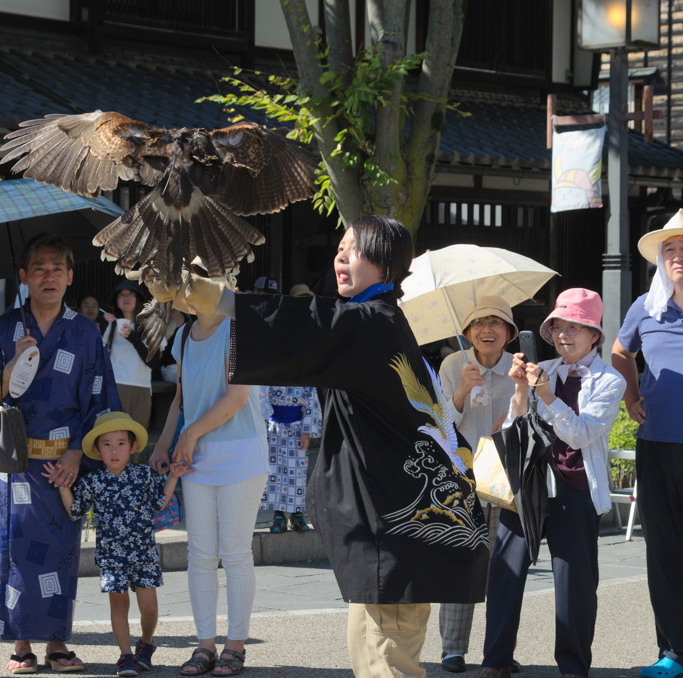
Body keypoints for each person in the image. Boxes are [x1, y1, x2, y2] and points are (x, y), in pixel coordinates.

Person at [150, 215, 490, 678]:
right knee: (373, 652)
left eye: (355, 248)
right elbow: (314, 325)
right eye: (340, 247)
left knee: (384, 659)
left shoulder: (373, 321)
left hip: (395, 529)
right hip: (394, 524)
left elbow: (306, 324)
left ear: (386, 265)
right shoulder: (375, 319)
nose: (341, 256)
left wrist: (220, 298)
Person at [0, 233, 120, 675]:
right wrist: (8, 371)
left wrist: (76, 456)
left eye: (57, 268)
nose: (48, 276)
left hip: (62, 465)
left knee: (58, 555)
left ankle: (57, 642)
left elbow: (101, 401)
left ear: (70, 276)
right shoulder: (0, 330)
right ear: (24, 276)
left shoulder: (86, 333)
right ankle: (21, 644)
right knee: (12, 552)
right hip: (11, 463)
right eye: (39, 269)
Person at [477, 288, 625, 678]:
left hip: (576, 487)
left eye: (575, 327)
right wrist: (523, 391)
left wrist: (545, 392)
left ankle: (573, 667)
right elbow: (514, 427)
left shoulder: (611, 380)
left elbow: (580, 435)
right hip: (529, 482)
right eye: (557, 326)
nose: (564, 335)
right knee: (505, 572)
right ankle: (495, 661)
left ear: (594, 334)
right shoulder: (543, 368)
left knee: (574, 582)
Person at [611, 209, 683, 678]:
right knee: (664, 556)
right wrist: (631, 395)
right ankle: (674, 654)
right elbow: (621, 353)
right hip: (656, 446)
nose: (677, 256)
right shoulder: (646, 306)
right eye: (669, 249)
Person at [147, 262, 269, 677]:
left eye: (194, 278)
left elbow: (236, 398)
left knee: (234, 554)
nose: (187, 288)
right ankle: (204, 645)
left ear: (221, 283)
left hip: (239, 453)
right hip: (194, 454)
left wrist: (189, 436)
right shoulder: (182, 335)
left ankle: (235, 646)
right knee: (200, 555)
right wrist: (163, 445)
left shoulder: (240, 328)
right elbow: (181, 398)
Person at [54, 411, 190, 677]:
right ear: (97, 450)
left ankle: (146, 644)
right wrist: (62, 487)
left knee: (149, 608)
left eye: (120, 443)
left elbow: (158, 503)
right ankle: (125, 655)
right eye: (107, 444)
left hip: (144, 553)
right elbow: (75, 511)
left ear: (133, 447)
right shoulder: (93, 481)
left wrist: (173, 477)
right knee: (119, 606)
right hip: (111, 556)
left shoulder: (144, 475)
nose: (114, 450)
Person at [436, 298, 519, 673]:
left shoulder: (518, 368)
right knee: (460, 562)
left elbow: (532, 419)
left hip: (506, 479)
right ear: (467, 332)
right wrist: (460, 393)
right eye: (479, 324)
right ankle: (453, 649)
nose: (488, 330)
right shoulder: (454, 364)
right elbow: (439, 423)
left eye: (496, 323)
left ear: (509, 331)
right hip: (462, 477)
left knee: (506, 569)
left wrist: (515, 414)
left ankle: (499, 650)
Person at [259, 385, 321, 533]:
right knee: (273, 474)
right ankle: (278, 515)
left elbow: (311, 401)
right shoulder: (269, 374)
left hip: (296, 428)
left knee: (297, 474)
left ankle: (297, 514)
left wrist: (306, 432)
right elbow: (262, 397)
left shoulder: (303, 374)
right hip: (272, 428)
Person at [102, 280, 160, 431]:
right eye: (121, 295)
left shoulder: (150, 326)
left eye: (131, 294)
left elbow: (154, 363)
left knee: (137, 438)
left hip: (141, 387)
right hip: (115, 386)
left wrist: (134, 339)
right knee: (114, 435)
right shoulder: (111, 325)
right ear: (116, 301)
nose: (126, 298)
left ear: (139, 299)